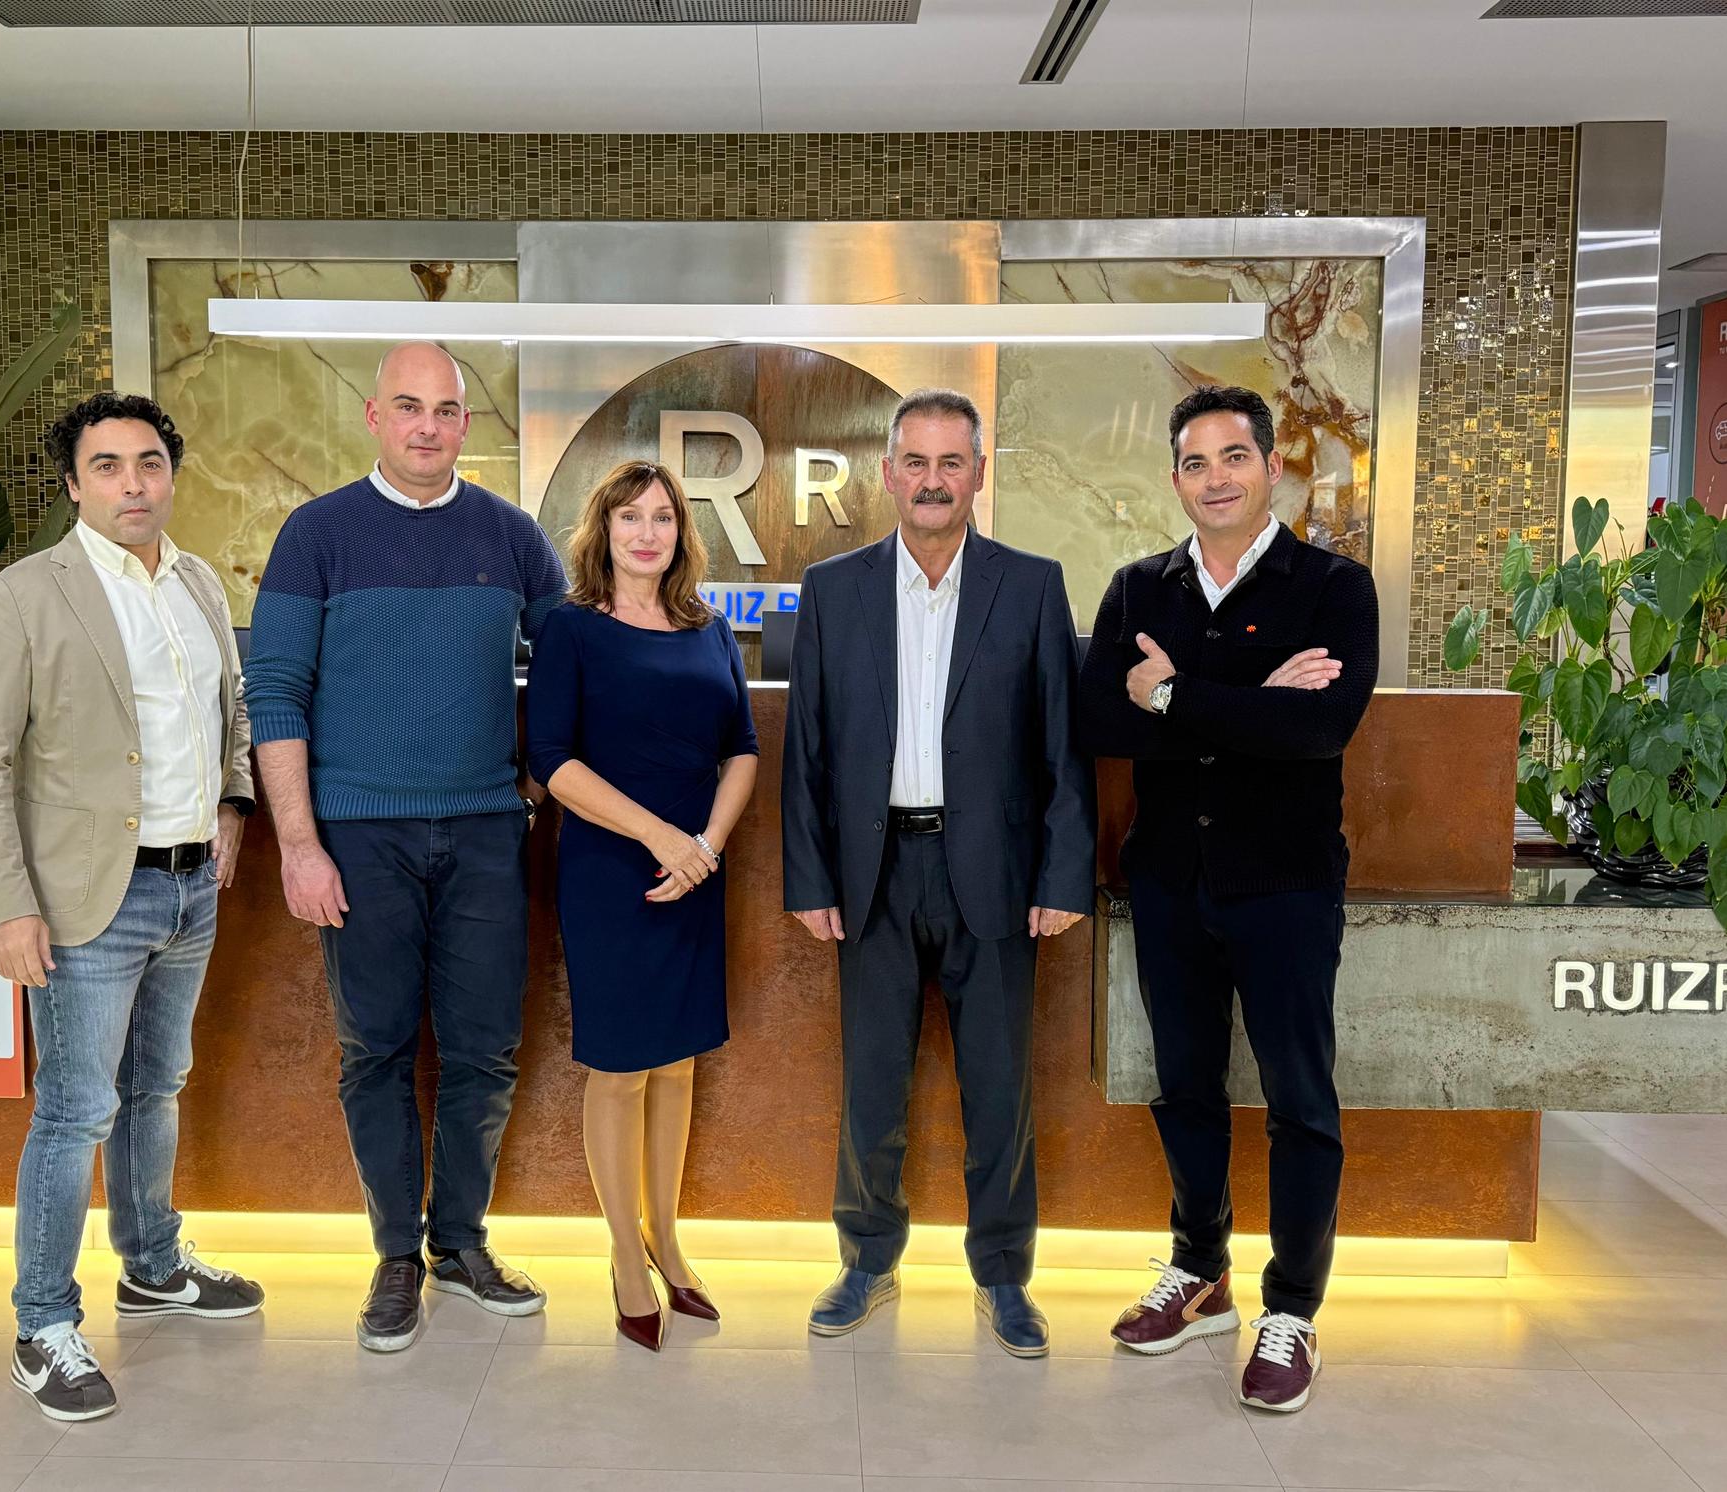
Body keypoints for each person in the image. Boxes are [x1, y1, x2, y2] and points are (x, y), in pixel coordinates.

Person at [0, 392, 263, 1422]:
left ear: (171, 475)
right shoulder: (24, 596)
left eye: (150, 463)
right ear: (74, 484)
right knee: (76, 1109)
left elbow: (230, 713)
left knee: (156, 1085)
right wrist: (7, 906)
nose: (134, 483)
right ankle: (42, 1324)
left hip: (190, 885)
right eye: (109, 466)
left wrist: (231, 805)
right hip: (88, 896)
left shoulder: (199, 582)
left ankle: (153, 1263)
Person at [245, 342, 565, 1352]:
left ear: (467, 423)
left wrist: (530, 781)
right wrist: (299, 844)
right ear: (374, 417)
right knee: (374, 1049)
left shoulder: (513, 536)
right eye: (409, 406)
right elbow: (274, 694)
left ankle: (460, 1243)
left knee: (485, 1050)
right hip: (358, 835)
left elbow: (571, 671)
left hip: (484, 833)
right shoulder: (316, 535)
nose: (428, 426)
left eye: (447, 409)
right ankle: (395, 1255)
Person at [1076, 384, 1379, 1413]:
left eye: (1235, 457)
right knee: (1186, 1087)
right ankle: (1200, 1273)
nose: (1216, 478)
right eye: (1196, 462)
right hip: (1167, 880)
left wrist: (1172, 693)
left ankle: (1291, 1310)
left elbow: (1318, 731)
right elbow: (1102, 723)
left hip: (1286, 885)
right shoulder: (1138, 588)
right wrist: (1253, 702)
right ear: (1175, 479)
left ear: (1271, 467)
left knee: (1301, 1100)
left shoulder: (1332, 587)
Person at [781, 388, 1095, 1359]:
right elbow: (807, 749)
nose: (931, 480)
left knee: (1000, 1092)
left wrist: (1063, 877)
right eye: (914, 462)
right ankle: (867, 1260)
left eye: (950, 462)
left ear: (978, 474)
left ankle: (1003, 1276)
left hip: (994, 873)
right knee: (871, 1088)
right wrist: (810, 879)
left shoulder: (1031, 586)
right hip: (872, 875)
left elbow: (1064, 748)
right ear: (887, 473)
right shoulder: (833, 588)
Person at [525, 460, 759, 1351]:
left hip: (696, 870)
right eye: (630, 517)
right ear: (604, 531)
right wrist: (663, 838)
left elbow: (741, 749)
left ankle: (668, 1240)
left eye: (662, 517)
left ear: (681, 532)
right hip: (612, 872)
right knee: (621, 1069)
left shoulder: (710, 628)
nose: (647, 532)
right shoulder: (571, 628)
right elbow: (552, 761)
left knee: (679, 1065)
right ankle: (625, 1253)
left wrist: (705, 848)